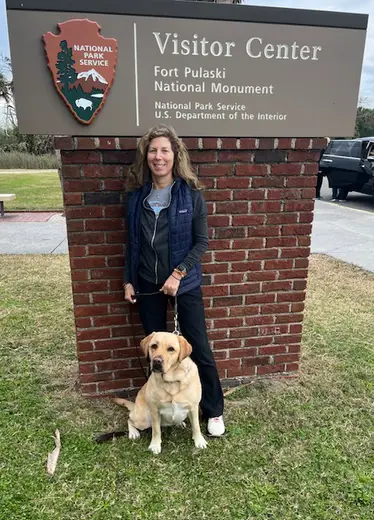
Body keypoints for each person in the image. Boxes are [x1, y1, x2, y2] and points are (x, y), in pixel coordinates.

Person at [123, 124, 225, 437]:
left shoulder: (191, 195)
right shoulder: (136, 198)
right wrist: (129, 280)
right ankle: (163, 407)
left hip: (185, 284)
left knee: (199, 349)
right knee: (156, 352)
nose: (158, 156)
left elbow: (201, 242)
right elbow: (132, 244)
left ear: (175, 154)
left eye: (165, 150)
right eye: (153, 150)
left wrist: (178, 274)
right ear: (146, 156)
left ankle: (214, 411)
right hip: (147, 284)